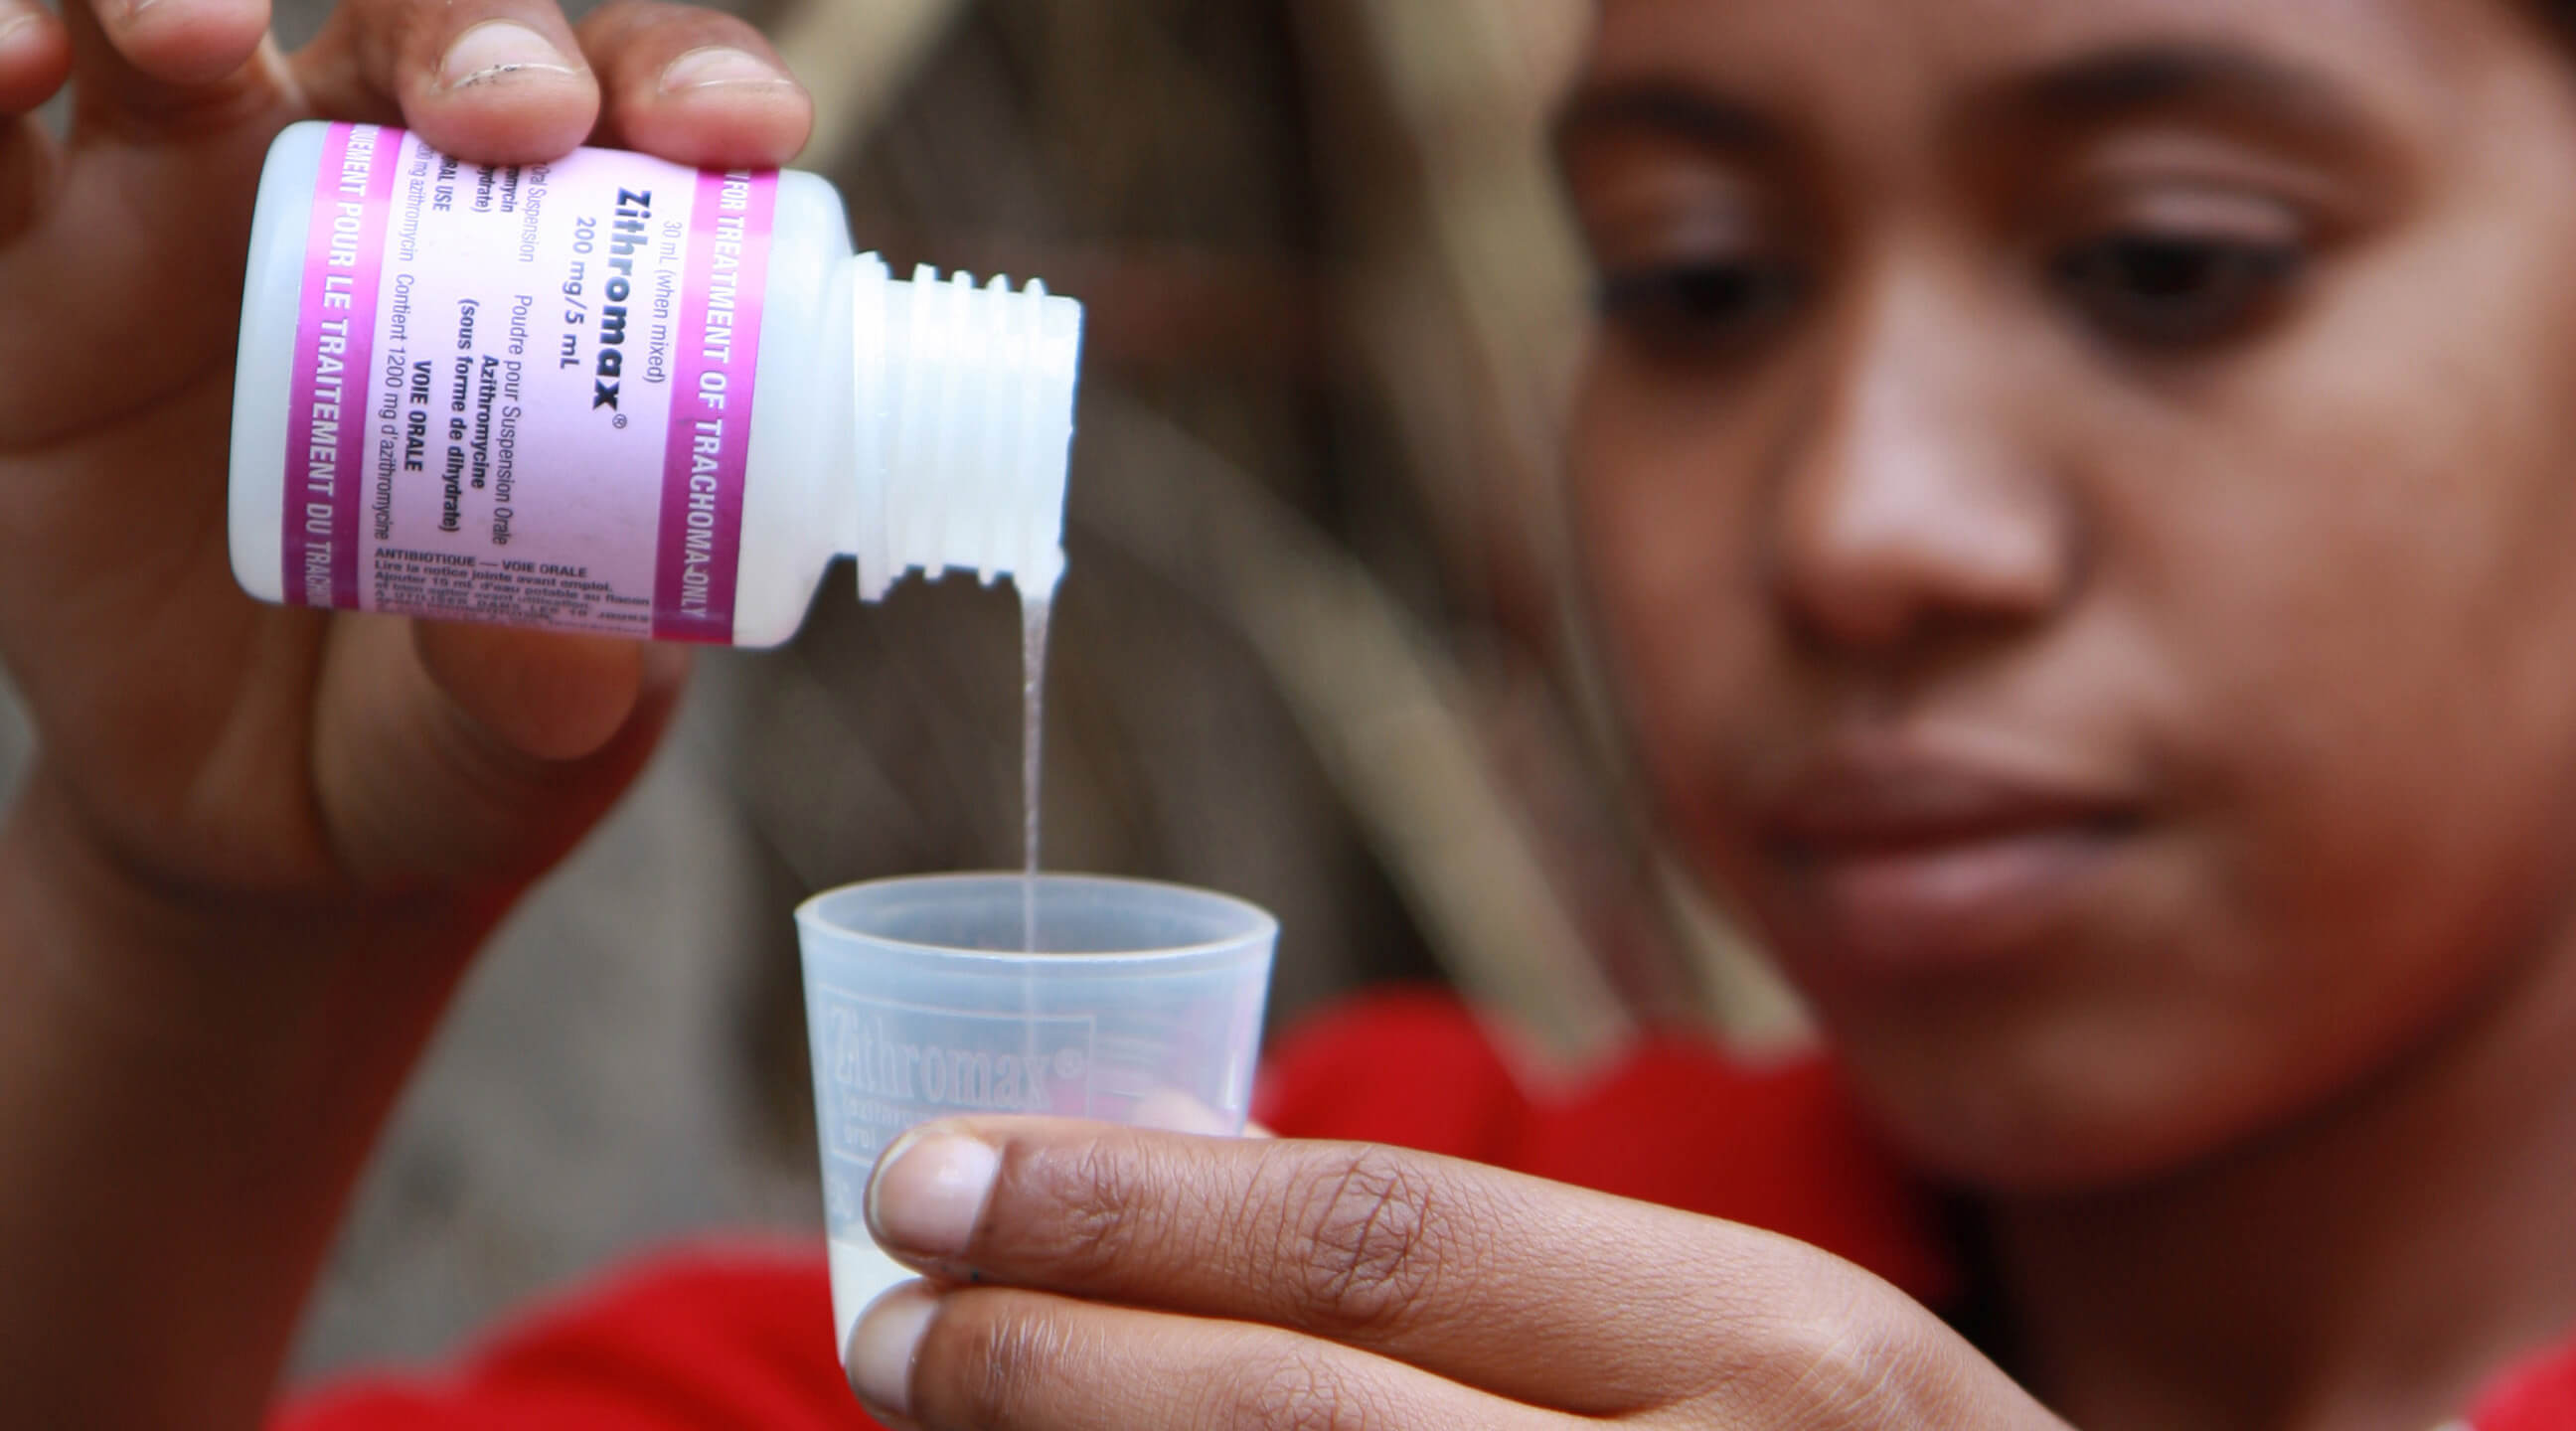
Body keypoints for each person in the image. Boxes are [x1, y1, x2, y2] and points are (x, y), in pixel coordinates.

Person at [6, 0, 2576, 1426]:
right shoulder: (1330, 1289)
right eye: (1689, 281)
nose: (1858, 526)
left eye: (2166, 259)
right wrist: (197, 951)